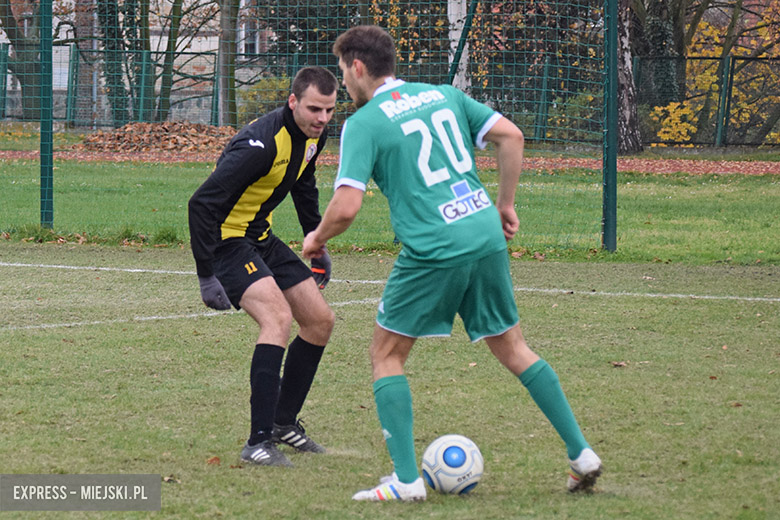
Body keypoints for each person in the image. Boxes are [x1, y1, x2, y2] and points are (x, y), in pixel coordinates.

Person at [302, 26, 603, 501]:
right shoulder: (444, 95)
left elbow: (345, 208)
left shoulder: (364, 123)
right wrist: (504, 205)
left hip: (433, 248)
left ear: (357, 67)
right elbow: (511, 136)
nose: (344, 81)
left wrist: (316, 239)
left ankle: (406, 481)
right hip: (483, 235)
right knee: (514, 347)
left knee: (386, 355)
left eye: (343, 71)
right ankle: (581, 453)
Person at [189, 66, 338, 467]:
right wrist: (206, 274)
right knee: (277, 318)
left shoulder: (313, 136)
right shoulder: (260, 146)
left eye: (329, 110)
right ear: (292, 102)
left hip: (260, 237)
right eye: (314, 109)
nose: (322, 118)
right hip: (226, 242)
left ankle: (282, 423)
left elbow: (303, 183)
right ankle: (257, 443)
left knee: (320, 321)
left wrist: (316, 240)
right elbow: (201, 204)